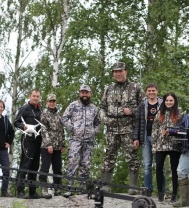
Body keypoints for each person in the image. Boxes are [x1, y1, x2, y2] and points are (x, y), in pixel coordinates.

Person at [100, 62, 144, 194]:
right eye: (115, 72)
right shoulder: (109, 89)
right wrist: (105, 119)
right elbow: (102, 107)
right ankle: (106, 185)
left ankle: (133, 186)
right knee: (109, 156)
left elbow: (144, 107)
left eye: (120, 71)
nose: (117, 74)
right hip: (112, 128)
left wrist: (132, 111)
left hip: (128, 128)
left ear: (126, 71)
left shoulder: (135, 88)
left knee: (132, 156)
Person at [62, 84, 100, 197]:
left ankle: (82, 188)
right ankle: (69, 188)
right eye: (82, 92)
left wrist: (94, 131)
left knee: (86, 164)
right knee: (72, 162)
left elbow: (98, 123)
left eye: (86, 92)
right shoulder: (73, 105)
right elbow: (64, 118)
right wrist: (72, 127)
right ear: (79, 93)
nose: (84, 95)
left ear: (90, 94)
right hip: (75, 140)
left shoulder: (94, 108)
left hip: (89, 141)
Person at [151, 92, 183, 202]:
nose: (168, 102)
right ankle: (160, 193)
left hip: (175, 144)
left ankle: (174, 194)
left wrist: (173, 132)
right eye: (167, 100)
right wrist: (154, 145)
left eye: (171, 100)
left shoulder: (180, 112)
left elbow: (182, 128)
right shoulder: (160, 112)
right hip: (161, 144)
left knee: (175, 170)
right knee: (159, 167)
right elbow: (154, 129)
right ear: (164, 101)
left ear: (174, 101)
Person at [132, 83, 163, 196]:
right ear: (146, 92)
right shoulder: (142, 105)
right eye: (149, 91)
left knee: (160, 166)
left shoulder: (163, 104)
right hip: (145, 138)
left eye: (153, 90)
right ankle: (147, 189)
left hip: (160, 139)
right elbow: (137, 122)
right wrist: (136, 138)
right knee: (146, 165)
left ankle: (161, 190)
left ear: (157, 91)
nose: (151, 92)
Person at [14, 89, 42, 199]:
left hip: (38, 140)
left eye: (37, 96)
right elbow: (16, 122)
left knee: (34, 166)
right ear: (29, 96)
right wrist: (23, 127)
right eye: (34, 96)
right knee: (25, 165)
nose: (35, 98)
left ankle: (32, 191)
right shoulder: (24, 109)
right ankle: (20, 190)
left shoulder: (41, 110)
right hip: (27, 140)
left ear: (39, 98)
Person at [39, 94, 66, 199]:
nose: (52, 103)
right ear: (47, 102)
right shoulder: (44, 114)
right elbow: (43, 130)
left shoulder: (59, 115)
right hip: (47, 147)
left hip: (58, 147)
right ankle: (44, 189)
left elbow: (61, 130)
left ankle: (58, 188)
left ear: (56, 102)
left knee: (58, 168)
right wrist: (49, 144)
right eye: (50, 101)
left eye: (53, 101)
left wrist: (63, 143)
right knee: (45, 168)